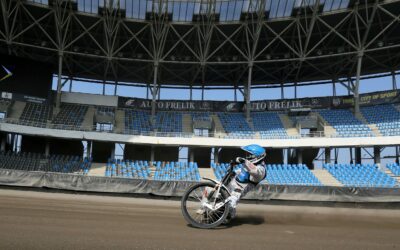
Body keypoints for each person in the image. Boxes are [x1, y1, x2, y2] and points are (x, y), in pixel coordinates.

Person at [225, 144, 266, 222]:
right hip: (233, 182)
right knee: (211, 189)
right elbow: (242, 171)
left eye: (249, 154)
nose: (247, 156)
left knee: (231, 202)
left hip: (240, 189)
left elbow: (254, 171)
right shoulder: (251, 164)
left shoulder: (261, 169)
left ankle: (228, 216)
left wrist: (244, 161)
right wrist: (233, 171)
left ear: (256, 156)